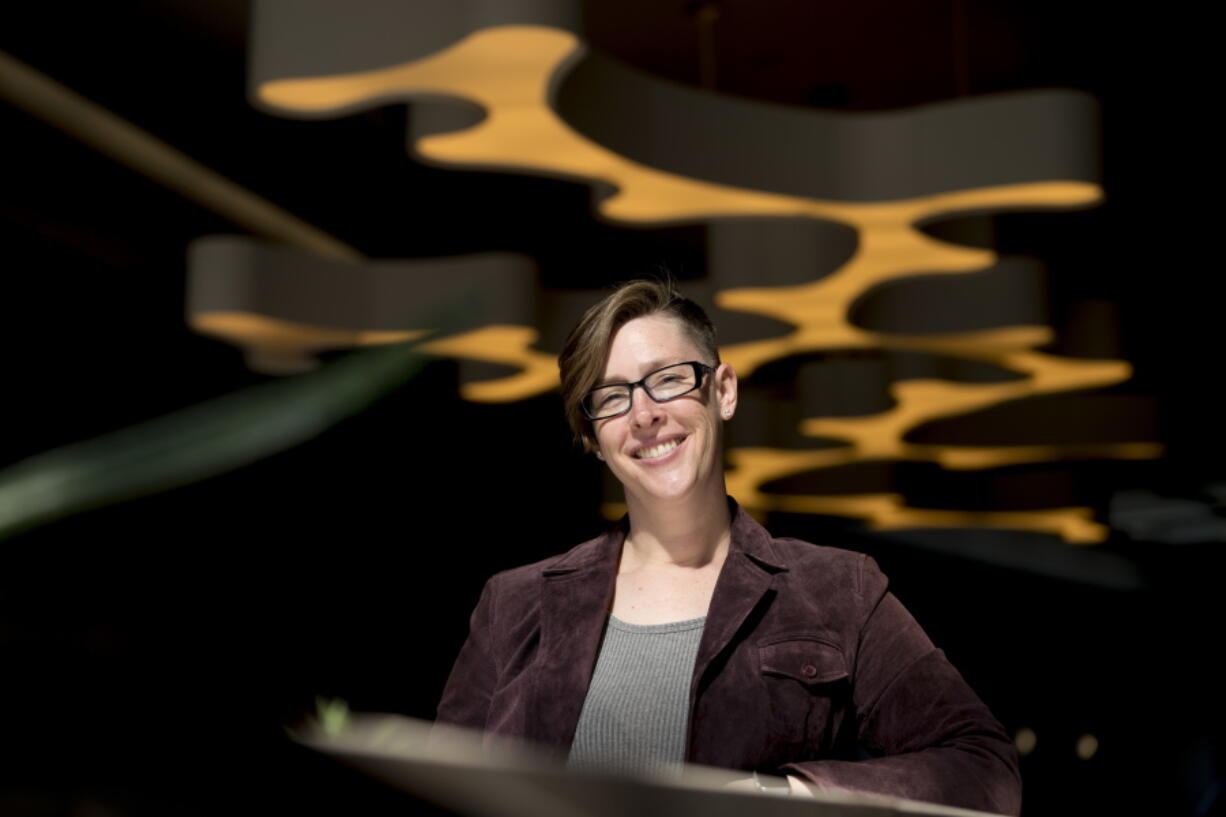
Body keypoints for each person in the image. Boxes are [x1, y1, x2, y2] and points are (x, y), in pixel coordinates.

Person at [436, 279, 1021, 814]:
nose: (644, 414)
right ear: (593, 437)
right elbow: (437, 791)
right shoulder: (513, 605)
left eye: (667, 379)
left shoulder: (839, 590)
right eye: (611, 397)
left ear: (723, 391)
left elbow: (984, 770)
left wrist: (783, 795)